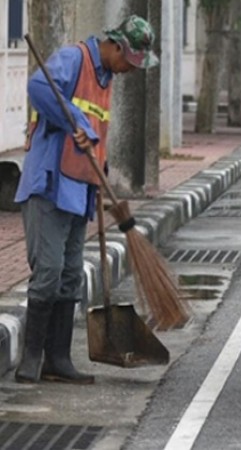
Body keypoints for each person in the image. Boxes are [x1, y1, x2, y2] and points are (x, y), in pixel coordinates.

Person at [14, 15, 159, 384]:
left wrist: (99, 173)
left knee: (70, 276)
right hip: (49, 185)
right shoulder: (75, 59)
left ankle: (57, 359)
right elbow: (39, 87)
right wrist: (75, 120)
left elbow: (97, 135)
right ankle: (31, 357)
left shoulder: (107, 78)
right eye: (129, 60)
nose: (129, 70)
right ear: (115, 47)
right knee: (47, 272)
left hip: (80, 189)